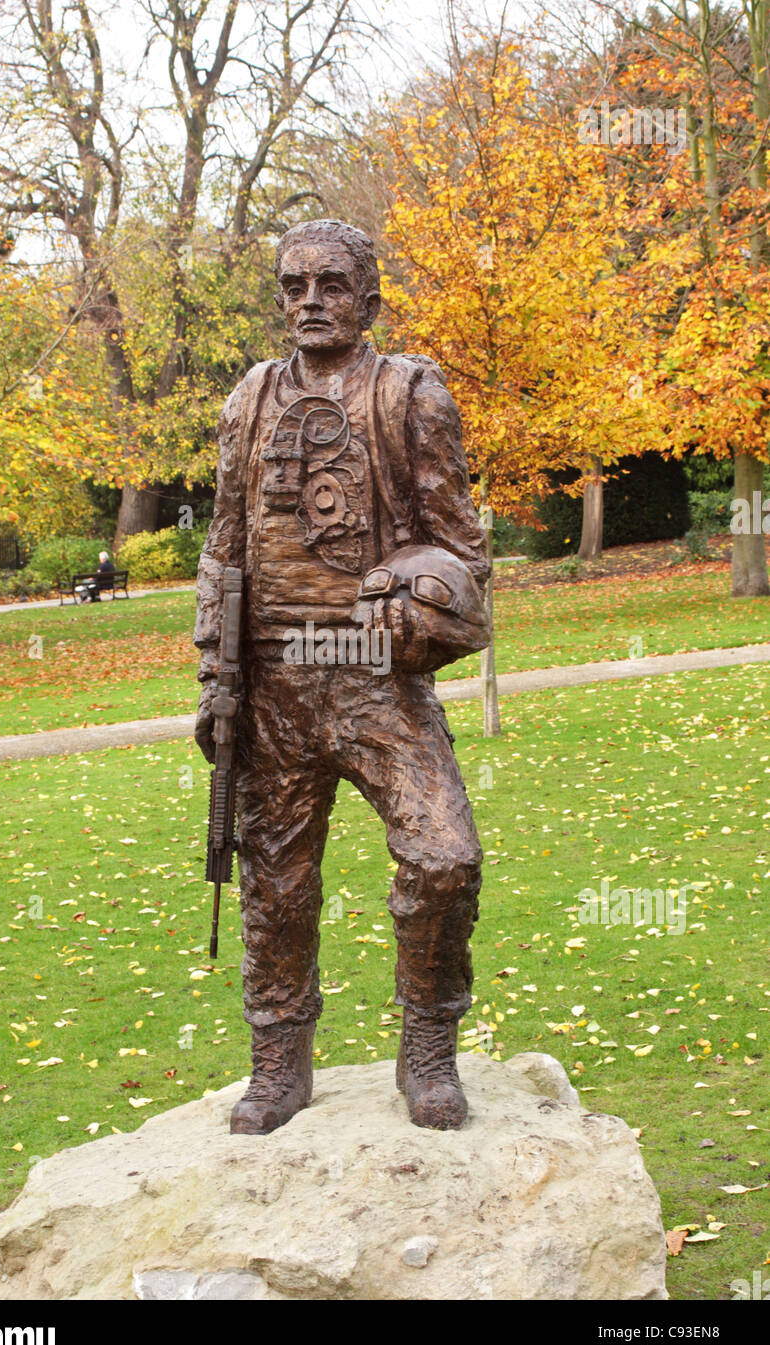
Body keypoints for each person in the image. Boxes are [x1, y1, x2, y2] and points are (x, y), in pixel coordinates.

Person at [194, 219, 491, 1135]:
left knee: (444, 858)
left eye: (330, 285)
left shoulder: (407, 395)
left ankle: (428, 1046)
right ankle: (279, 1063)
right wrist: (215, 674)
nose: (310, 302)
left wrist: (415, 594)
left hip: (373, 674)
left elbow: (464, 551)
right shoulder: (250, 398)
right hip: (274, 680)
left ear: (368, 301)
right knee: (276, 882)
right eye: (293, 286)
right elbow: (223, 546)